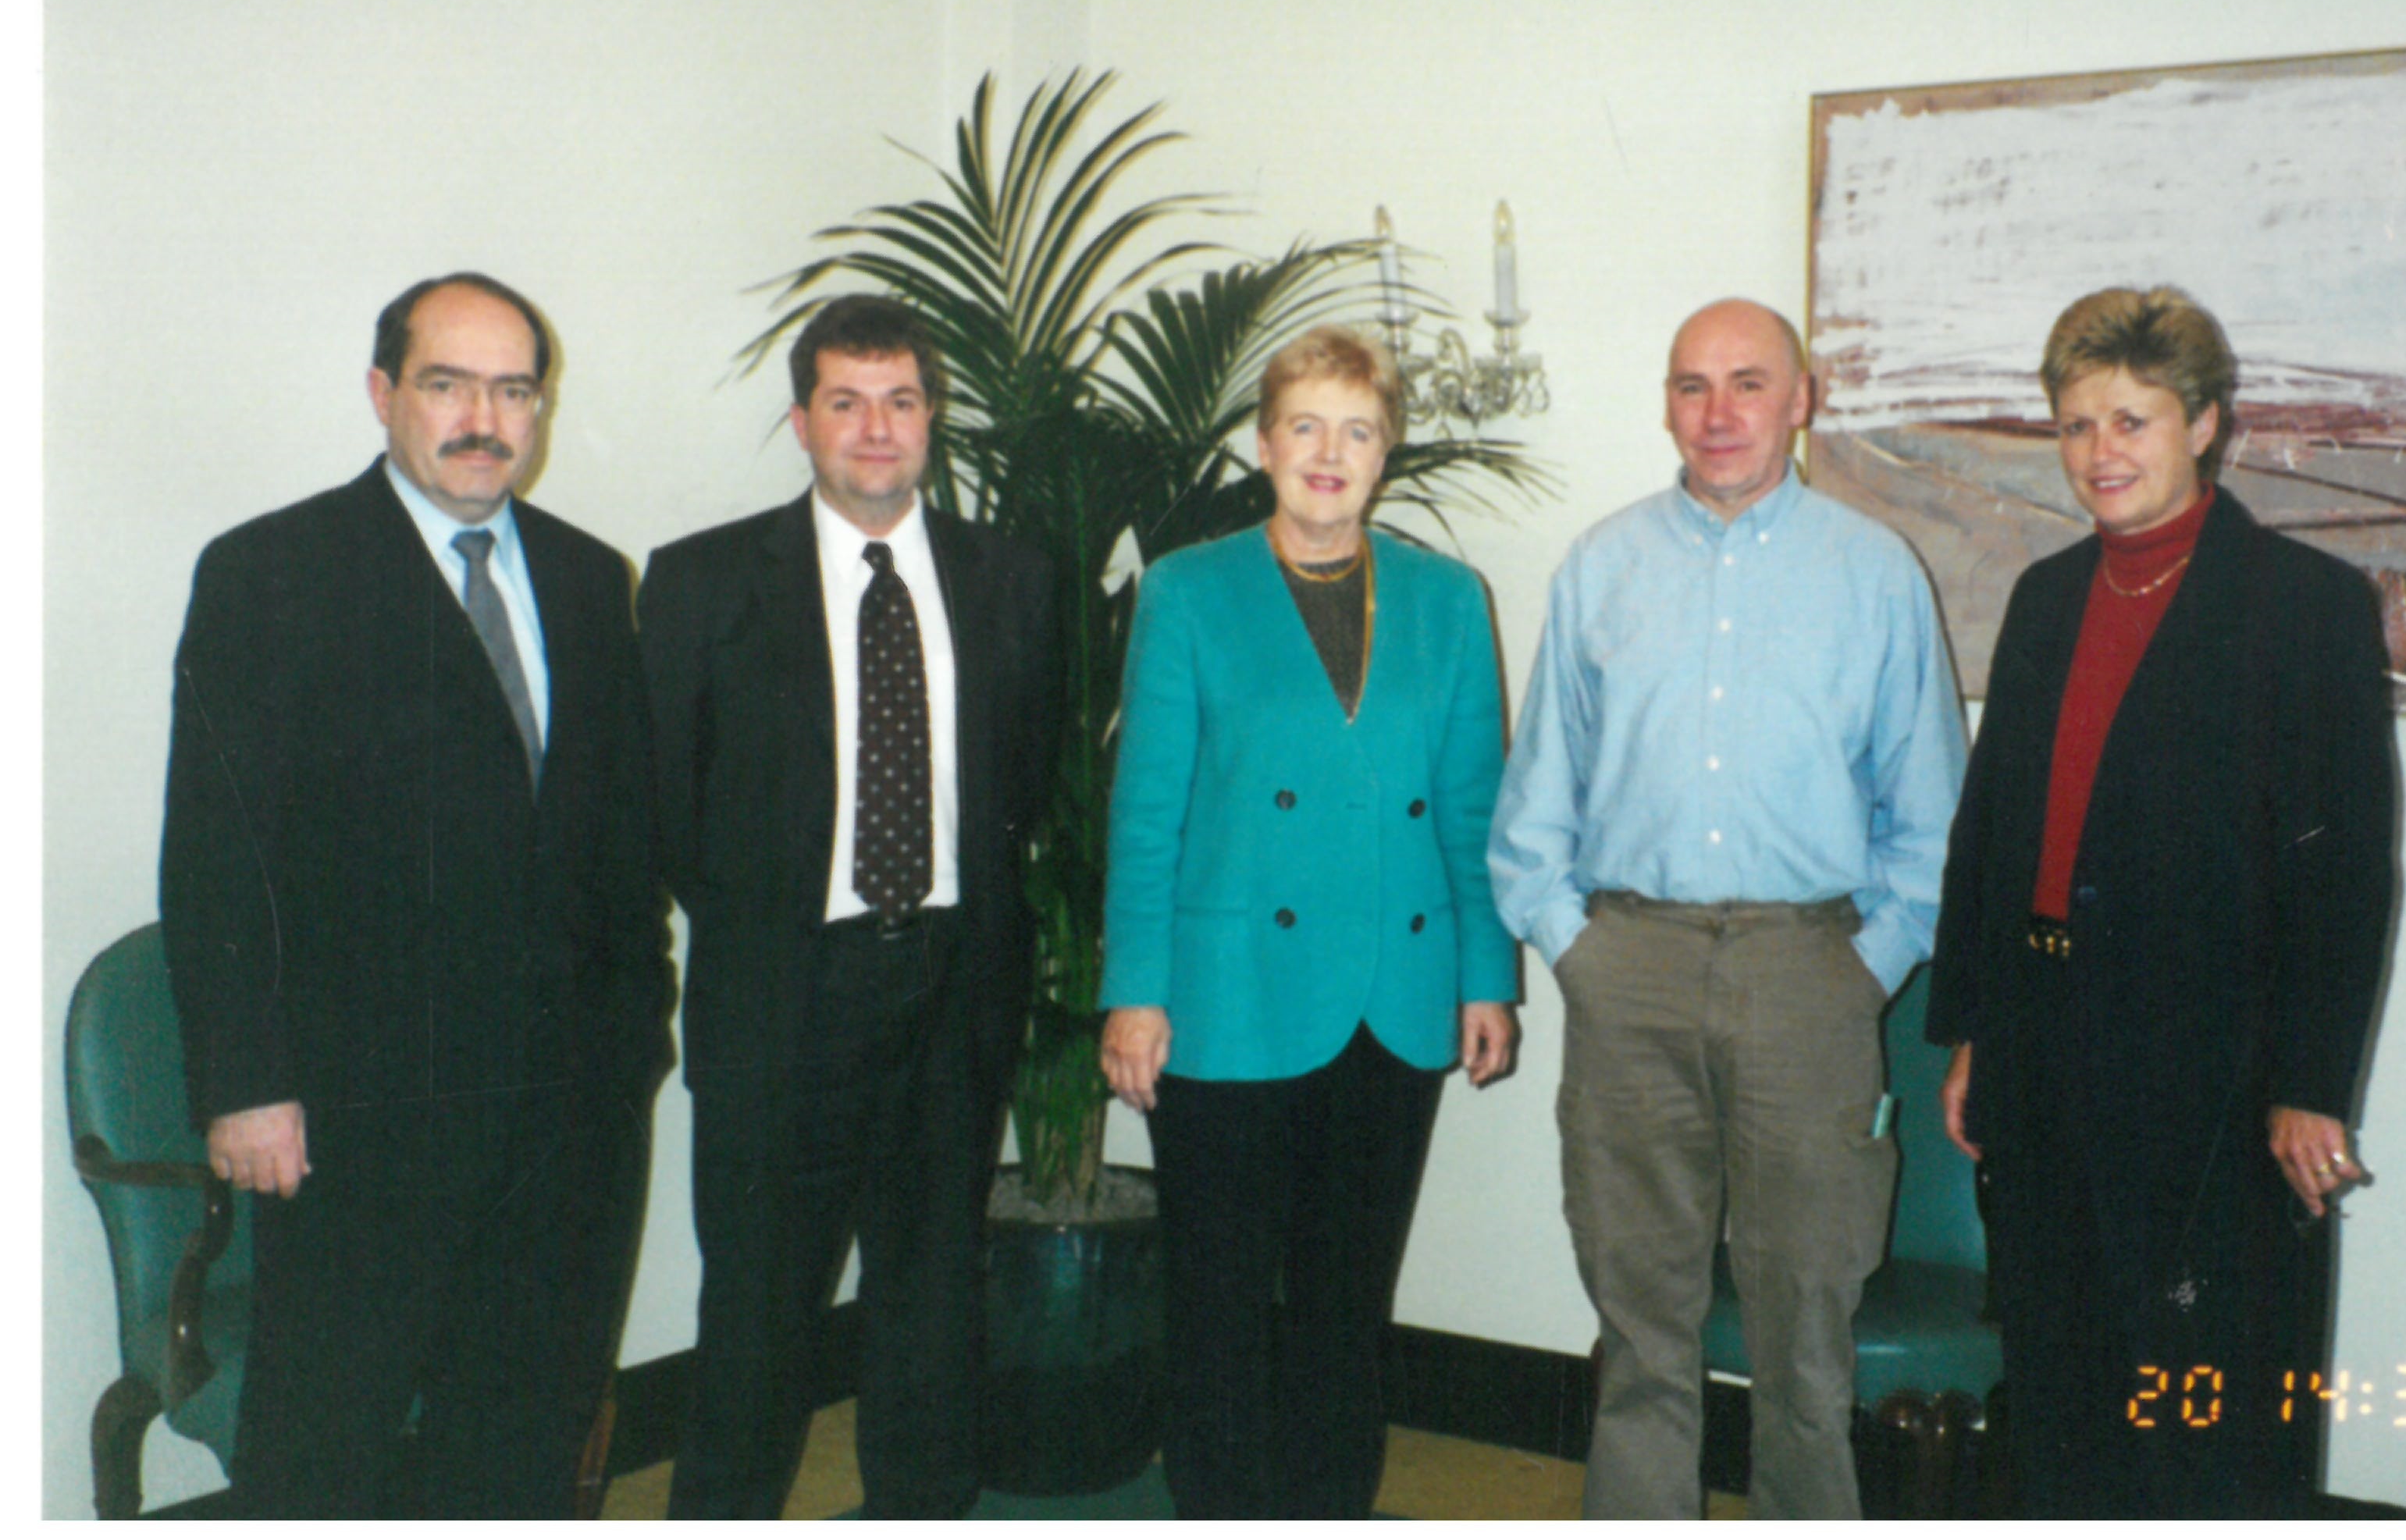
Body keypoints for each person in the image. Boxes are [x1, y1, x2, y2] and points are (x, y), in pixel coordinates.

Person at [158, 273, 674, 1517]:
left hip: (569, 1111)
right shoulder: (271, 571)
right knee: (325, 1447)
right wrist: (244, 1082)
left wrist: (634, 1032)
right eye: (449, 383)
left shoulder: (593, 578)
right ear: (386, 394)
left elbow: (615, 837)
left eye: (513, 389)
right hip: (357, 1115)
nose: (482, 417)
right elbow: (216, 852)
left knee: (527, 1434)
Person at [1490, 297, 1966, 1519]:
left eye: (1749, 382)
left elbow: (1931, 819)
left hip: (1809, 969)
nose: (1719, 413)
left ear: (1801, 400)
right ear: (1666, 403)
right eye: (1692, 384)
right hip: (1628, 965)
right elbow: (1536, 798)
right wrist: (1575, 947)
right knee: (1639, 1324)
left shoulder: (1873, 574)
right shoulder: (1604, 565)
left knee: (1806, 1330)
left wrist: (1866, 968)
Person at [1927, 286, 2397, 1517]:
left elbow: (2346, 873)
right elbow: (1993, 837)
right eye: (2078, 426)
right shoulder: (2043, 600)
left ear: (2205, 425)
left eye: (2131, 421)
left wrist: (2311, 1083)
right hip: (2043, 1049)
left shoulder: (2306, 607)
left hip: (2212, 1074)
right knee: (2063, 1376)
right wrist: (1976, 1020)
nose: (2101, 454)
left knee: (2207, 1399)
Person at [639, 294, 1061, 1518]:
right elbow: (668, 808)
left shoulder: (1012, 580)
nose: (876, 429)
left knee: (931, 1315)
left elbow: (1013, 786)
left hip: (951, 988)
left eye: (901, 400)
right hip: (783, 1001)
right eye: (846, 401)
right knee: (757, 1327)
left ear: (934, 417)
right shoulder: (703, 581)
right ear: (802, 419)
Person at [1097, 325, 1518, 1518]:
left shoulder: (1446, 598)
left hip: (1395, 996)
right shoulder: (1189, 589)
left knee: (1346, 1309)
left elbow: (1476, 802)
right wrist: (1136, 987)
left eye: (1359, 429)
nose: (1330, 453)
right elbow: (1148, 812)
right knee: (1219, 1309)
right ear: (1262, 441)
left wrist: (1486, 976)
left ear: (1388, 451)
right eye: (1306, 426)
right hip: (1227, 998)